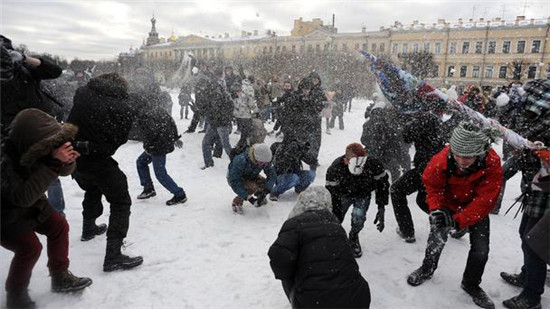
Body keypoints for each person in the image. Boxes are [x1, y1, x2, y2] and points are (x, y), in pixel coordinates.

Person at [1, 109, 92, 308]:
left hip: (33, 202)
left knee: (59, 226)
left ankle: (60, 276)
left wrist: (66, 161)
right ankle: (16, 296)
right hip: (5, 213)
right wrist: (53, 164)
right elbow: (21, 197)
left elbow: (63, 172)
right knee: (30, 248)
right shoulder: (4, 160)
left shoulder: (37, 147)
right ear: (34, 143)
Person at [407, 122, 503, 309]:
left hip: (476, 207)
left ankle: (471, 283)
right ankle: (427, 269)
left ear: (480, 152)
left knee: (481, 249)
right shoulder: (442, 159)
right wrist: (437, 209)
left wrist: (460, 221)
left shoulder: (491, 162)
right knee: (436, 238)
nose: (462, 160)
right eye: (457, 154)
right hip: (448, 204)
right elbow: (432, 186)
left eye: (468, 156)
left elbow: (486, 199)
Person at [67, 73, 143, 272]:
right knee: (121, 201)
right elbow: (112, 145)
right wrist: (91, 145)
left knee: (92, 187)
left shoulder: (82, 94)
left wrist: (79, 144)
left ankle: (88, 228)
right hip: (95, 159)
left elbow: (71, 123)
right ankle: (113, 255)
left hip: (74, 157)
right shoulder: (123, 108)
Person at [268, 186, 371, 309]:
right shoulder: (335, 224)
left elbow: (278, 257)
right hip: (358, 299)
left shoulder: (294, 223)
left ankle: (298, 300)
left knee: (287, 270)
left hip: (314, 303)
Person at [1, 36, 68, 216]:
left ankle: (56, 213)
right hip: (10, 134)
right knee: (17, 176)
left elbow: (55, 71)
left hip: (39, 129)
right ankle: (21, 217)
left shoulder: (23, 69)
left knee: (51, 170)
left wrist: (24, 59)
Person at [501, 78, 550, 309]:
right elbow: (523, 147)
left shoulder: (543, 123)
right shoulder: (533, 121)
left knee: (535, 241)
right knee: (525, 233)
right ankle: (527, 275)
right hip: (537, 188)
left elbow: (528, 149)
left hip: (547, 191)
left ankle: (532, 296)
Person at [390, 105, 445, 243]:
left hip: (427, 168)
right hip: (438, 166)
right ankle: (450, 221)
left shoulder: (421, 120)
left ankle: (406, 230)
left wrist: (405, 124)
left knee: (396, 190)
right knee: (422, 200)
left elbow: (406, 136)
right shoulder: (436, 120)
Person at [325, 143, 389, 258]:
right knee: (335, 218)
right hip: (343, 194)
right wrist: (336, 210)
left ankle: (354, 236)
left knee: (359, 217)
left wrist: (381, 206)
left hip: (363, 194)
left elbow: (382, 185)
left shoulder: (373, 164)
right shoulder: (336, 168)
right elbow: (331, 191)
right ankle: (334, 237)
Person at [134, 98, 187, 206]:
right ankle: (148, 188)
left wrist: (149, 146)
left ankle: (179, 194)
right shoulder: (158, 110)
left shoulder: (144, 115)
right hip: (163, 143)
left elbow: (150, 133)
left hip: (157, 147)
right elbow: (171, 123)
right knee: (141, 162)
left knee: (160, 173)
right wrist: (175, 137)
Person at [227, 143, 276, 214]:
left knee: (264, 183)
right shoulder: (240, 160)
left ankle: (259, 196)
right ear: (255, 158)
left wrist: (265, 192)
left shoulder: (264, 160)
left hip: (251, 175)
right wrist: (249, 198)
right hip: (234, 178)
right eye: (262, 164)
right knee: (252, 187)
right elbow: (235, 182)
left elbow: (272, 175)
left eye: (266, 164)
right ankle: (237, 202)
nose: (264, 166)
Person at [201, 68, 233, 169]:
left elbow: (217, 107)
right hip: (216, 122)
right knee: (206, 143)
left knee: (226, 145)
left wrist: (220, 118)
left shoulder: (216, 90)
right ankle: (209, 164)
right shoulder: (221, 87)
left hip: (221, 122)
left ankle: (238, 164)